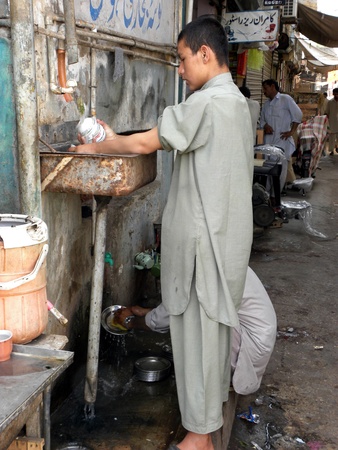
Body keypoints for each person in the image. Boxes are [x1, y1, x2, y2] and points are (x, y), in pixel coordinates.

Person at [71, 15, 253, 450]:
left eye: (183, 58)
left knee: (201, 343)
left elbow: (142, 144)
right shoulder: (235, 102)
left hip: (204, 249)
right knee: (205, 342)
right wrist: (120, 136)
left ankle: (199, 437)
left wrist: (94, 148)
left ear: (205, 54)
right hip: (220, 245)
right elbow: (153, 138)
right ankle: (201, 433)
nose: (181, 69)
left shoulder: (209, 103)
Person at [115, 266, 277, 397]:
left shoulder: (202, 268)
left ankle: (217, 380)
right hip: (256, 343)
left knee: (197, 316)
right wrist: (146, 312)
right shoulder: (223, 255)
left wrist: (131, 322)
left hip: (246, 352)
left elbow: (174, 311)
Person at [260, 79, 302, 191]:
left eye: (265, 88)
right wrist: (265, 126)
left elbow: (298, 115)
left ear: (272, 86)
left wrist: (292, 132)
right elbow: (262, 120)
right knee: (268, 169)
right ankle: (268, 196)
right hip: (268, 141)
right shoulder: (266, 104)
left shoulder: (285, 99)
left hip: (282, 141)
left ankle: (276, 197)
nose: (264, 91)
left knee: (280, 170)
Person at [325, 88, 338, 155]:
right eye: (335, 94)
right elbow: (327, 112)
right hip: (332, 122)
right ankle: (331, 150)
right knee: (332, 137)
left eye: (337, 94)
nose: (336, 95)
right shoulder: (330, 102)